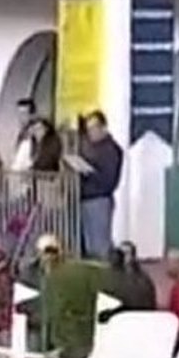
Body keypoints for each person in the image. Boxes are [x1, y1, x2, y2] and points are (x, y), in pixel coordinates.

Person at [78, 110, 123, 260]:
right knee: (90, 246)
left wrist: (89, 172)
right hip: (86, 197)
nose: (91, 132)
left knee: (100, 245)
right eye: (88, 129)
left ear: (103, 127)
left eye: (94, 128)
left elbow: (109, 180)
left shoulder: (111, 150)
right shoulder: (90, 148)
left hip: (99, 199)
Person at [16, 233, 63, 352]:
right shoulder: (28, 274)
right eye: (47, 251)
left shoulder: (67, 273)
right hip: (36, 328)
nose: (50, 255)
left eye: (54, 251)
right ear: (39, 252)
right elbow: (20, 303)